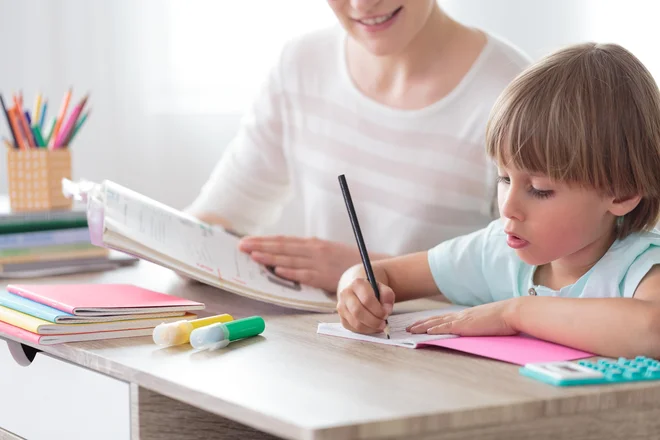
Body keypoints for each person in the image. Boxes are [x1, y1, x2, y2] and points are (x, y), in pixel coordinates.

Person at [336, 42, 660, 358]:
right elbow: (381, 275)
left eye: (539, 189)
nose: (507, 208)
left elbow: (651, 330)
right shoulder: (498, 251)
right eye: (504, 179)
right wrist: (356, 290)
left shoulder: (642, 267)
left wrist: (514, 313)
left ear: (623, 193)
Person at [186, 0, 530, 292]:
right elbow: (220, 213)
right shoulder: (301, 65)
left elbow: (539, 280)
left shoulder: (516, 97)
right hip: (323, 342)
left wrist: (369, 271)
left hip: (443, 356)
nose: (362, 5)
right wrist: (183, 248)